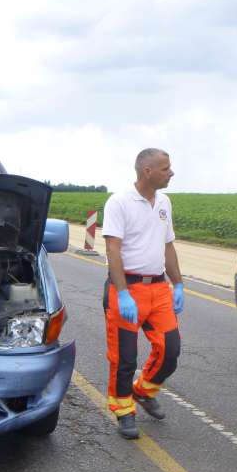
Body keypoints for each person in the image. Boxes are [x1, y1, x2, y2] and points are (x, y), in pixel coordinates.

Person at [102, 148, 185, 439]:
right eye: (166, 168)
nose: (171, 173)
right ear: (147, 171)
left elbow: (168, 245)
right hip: (127, 288)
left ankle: (143, 390)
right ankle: (124, 409)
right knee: (124, 357)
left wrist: (178, 284)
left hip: (159, 288)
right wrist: (122, 293)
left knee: (170, 350)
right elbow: (112, 250)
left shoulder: (164, 202)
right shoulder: (119, 202)